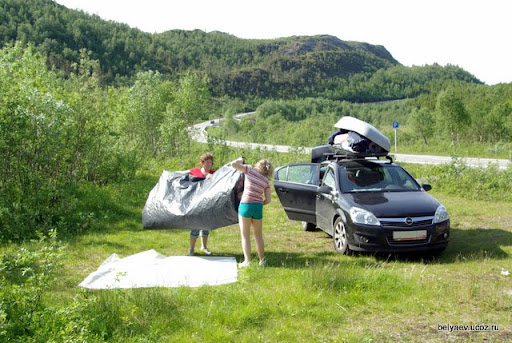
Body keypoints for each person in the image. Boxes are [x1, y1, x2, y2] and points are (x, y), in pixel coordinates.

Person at [229, 157, 274, 268]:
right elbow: (268, 200)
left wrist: (240, 159)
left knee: (245, 236)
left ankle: (247, 261)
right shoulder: (266, 181)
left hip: (246, 205)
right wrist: (259, 203)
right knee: (258, 236)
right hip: (258, 206)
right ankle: (262, 260)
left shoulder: (249, 170)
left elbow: (233, 165)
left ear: (258, 165)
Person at [179, 152, 215, 256]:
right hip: (196, 203)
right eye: (206, 162)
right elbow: (182, 173)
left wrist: (211, 176)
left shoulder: (214, 173)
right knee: (195, 226)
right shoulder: (195, 171)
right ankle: (191, 249)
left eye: (210, 162)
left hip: (208, 203)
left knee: (206, 226)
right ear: (202, 163)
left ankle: (204, 247)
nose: (208, 164)